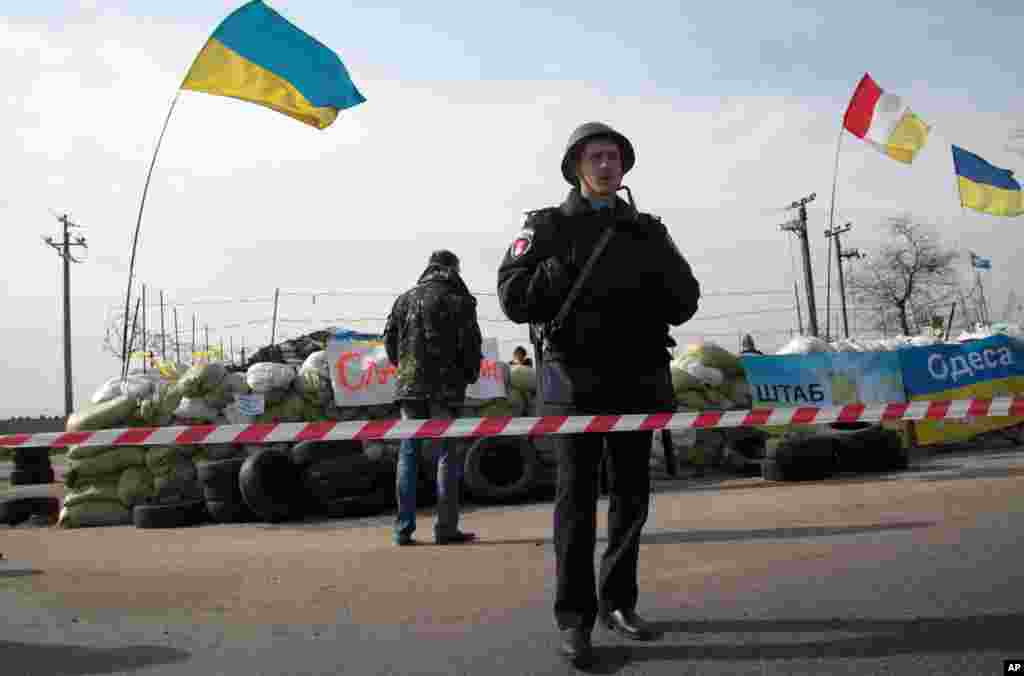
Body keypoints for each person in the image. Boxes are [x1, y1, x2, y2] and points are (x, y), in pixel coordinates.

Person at [497, 122, 701, 666]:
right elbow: (513, 299)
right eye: (596, 157)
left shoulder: (648, 230)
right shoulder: (545, 227)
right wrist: (558, 270)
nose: (607, 165)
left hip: (637, 379)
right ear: (576, 166)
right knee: (576, 505)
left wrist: (659, 276)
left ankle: (619, 602)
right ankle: (574, 619)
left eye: (614, 156)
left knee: (632, 498)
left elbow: (685, 301)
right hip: (574, 383)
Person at [384, 249, 483, 546]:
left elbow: (389, 341)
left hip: (409, 387)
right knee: (446, 455)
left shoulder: (404, 299)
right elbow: (471, 343)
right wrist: (468, 374)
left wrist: (404, 369)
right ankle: (445, 528)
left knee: (408, 454)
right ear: (454, 268)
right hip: (446, 388)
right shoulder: (458, 299)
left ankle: (403, 529)